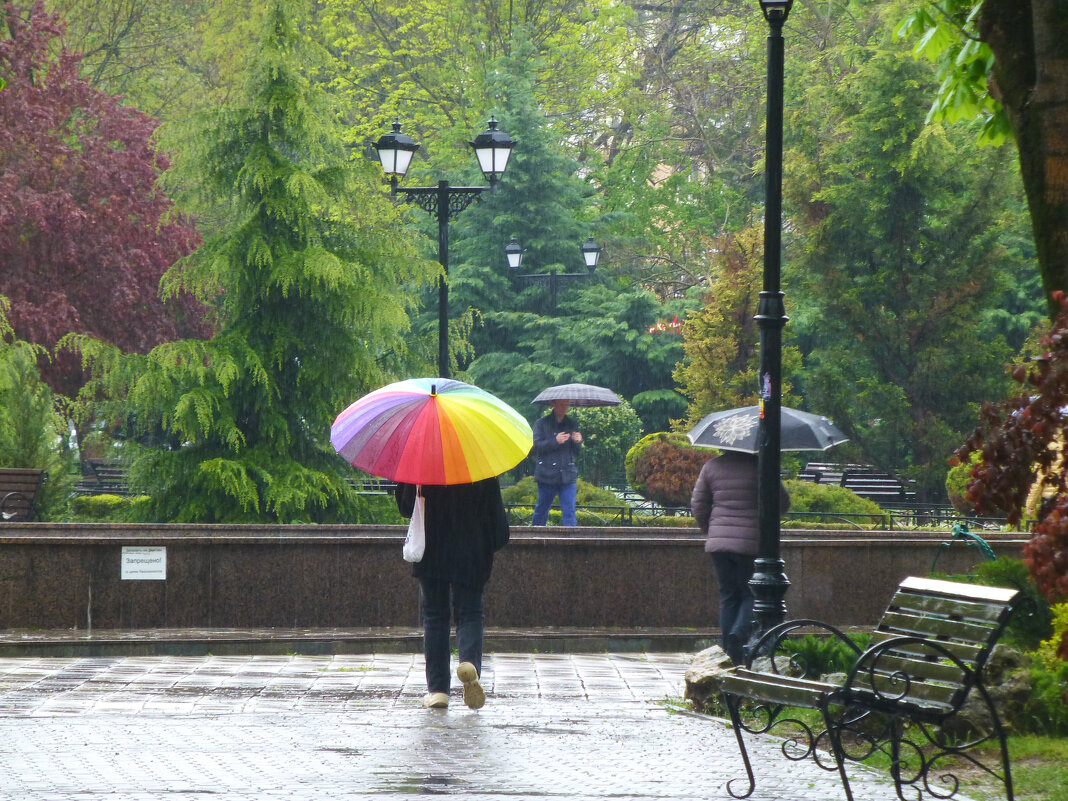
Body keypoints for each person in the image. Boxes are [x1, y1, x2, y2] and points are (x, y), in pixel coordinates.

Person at [395, 477, 510, 710]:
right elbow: (499, 528)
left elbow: (406, 507)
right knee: (470, 613)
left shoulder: (420, 462)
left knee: (435, 617)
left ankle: (438, 691)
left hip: (431, 549)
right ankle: (469, 664)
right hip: (473, 551)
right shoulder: (478, 462)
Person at [690, 451, 790, 665]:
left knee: (728, 594)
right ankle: (738, 633)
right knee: (750, 593)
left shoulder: (711, 466)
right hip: (750, 542)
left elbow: (698, 504)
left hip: (718, 544)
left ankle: (728, 648)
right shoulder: (761, 465)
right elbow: (781, 502)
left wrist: (711, 530)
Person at [531, 399, 582, 526]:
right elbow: (535, 447)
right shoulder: (541, 423)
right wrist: (555, 441)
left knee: (569, 510)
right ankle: (536, 538)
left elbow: (577, 452)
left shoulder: (572, 423)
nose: (565, 407)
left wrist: (578, 442)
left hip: (567, 475)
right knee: (541, 510)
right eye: (562, 404)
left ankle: (570, 542)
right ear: (553, 404)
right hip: (546, 475)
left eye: (567, 405)